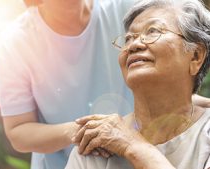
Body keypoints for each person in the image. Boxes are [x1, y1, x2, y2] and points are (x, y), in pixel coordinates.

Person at [65, 0, 210, 168]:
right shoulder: (98, 142)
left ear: (196, 56)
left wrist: (132, 145)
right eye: (128, 39)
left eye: (152, 31)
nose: (133, 45)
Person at [0, 0, 136, 168]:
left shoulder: (127, 9)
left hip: (134, 157)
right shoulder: (15, 42)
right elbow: (18, 130)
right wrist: (79, 131)